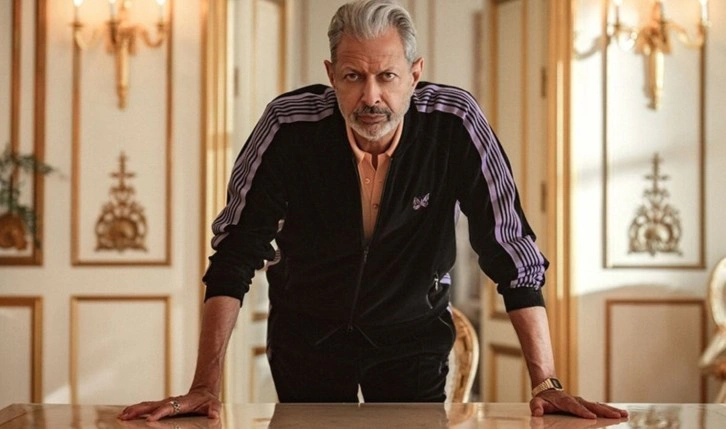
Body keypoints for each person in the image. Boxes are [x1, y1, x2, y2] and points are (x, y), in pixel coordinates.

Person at [119, 0, 628, 422]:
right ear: (330, 75)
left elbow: (510, 250)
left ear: (415, 73)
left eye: (387, 76)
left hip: (413, 339)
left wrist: (546, 381)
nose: (371, 97)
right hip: (306, 338)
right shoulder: (287, 126)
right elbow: (235, 253)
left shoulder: (455, 122)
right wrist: (204, 386)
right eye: (353, 76)